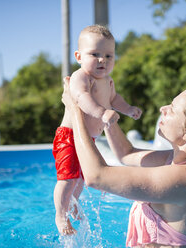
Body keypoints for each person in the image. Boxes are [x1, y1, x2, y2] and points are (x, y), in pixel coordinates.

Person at [62, 76, 186, 248]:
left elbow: (96, 176)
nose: (163, 108)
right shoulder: (174, 161)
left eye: (172, 109)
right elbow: (126, 153)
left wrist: (74, 110)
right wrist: (104, 109)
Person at [52, 25, 142, 235]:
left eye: (108, 55)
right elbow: (82, 98)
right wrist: (102, 113)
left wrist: (128, 109)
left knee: (82, 178)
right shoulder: (81, 77)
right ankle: (60, 214)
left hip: (88, 139)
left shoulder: (108, 81)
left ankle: (73, 204)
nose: (102, 60)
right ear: (79, 56)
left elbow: (114, 99)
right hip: (69, 136)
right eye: (95, 54)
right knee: (67, 178)